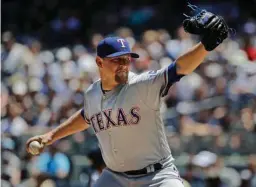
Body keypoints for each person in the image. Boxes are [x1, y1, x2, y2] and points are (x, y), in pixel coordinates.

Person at [26, 6, 230, 186]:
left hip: (157, 176)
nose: (124, 65)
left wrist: (205, 47)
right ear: (99, 63)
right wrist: (51, 136)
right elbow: (86, 116)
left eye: (126, 60)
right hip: (115, 178)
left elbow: (178, 69)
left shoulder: (142, 85)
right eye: (117, 61)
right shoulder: (92, 94)